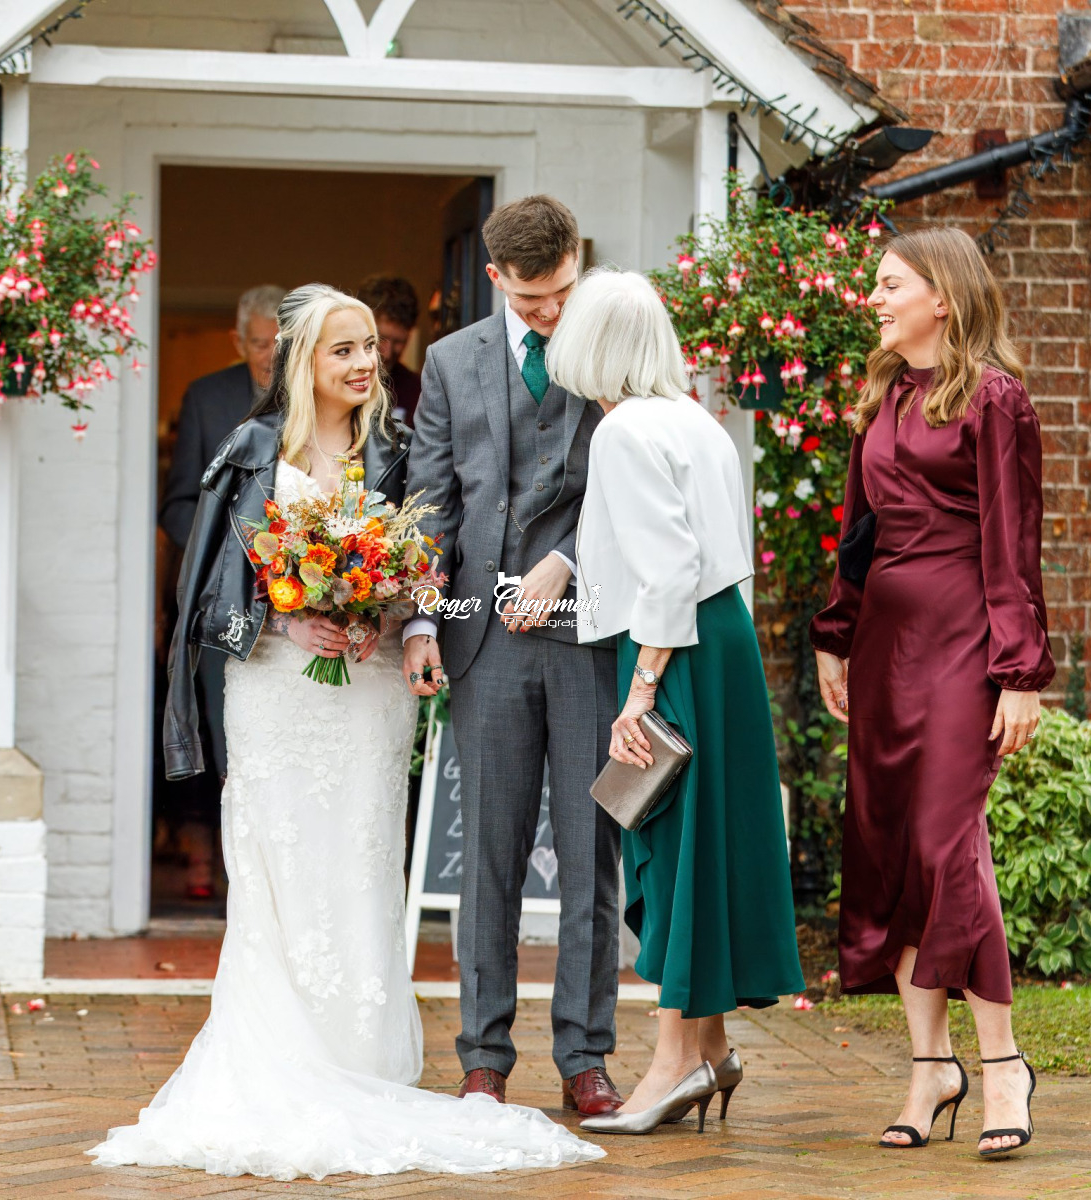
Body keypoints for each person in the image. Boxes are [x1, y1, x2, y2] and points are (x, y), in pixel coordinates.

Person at [96, 285, 603, 1180]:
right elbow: (204, 594)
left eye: (371, 346)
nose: (368, 362)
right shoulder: (251, 451)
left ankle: (364, 1062)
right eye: (345, 349)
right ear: (302, 359)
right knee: (281, 872)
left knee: (362, 866)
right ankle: (277, 1060)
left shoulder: (398, 451)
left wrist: (397, 620)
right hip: (278, 693)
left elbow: (430, 557)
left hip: (368, 695)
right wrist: (285, 619)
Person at [809, 227, 1053, 1159]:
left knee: (949, 847)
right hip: (885, 644)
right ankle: (929, 1068)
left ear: (941, 297)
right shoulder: (884, 394)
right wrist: (836, 635)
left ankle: (1003, 1066)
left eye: (890, 284)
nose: (873, 298)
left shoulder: (995, 399)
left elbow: (1012, 542)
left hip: (962, 641)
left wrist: (1018, 670)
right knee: (891, 850)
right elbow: (858, 533)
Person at [545, 268, 805, 1135]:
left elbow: (666, 571)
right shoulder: (697, 419)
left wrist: (641, 691)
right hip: (721, 638)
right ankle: (712, 1047)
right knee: (706, 844)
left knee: (675, 844)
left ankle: (671, 1066)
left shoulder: (623, 431)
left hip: (675, 645)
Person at [401, 196, 625, 1117]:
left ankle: (585, 1055)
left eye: (563, 291)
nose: (552, 312)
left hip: (585, 634)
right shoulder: (451, 361)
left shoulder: (608, 350)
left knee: (590, 852)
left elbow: (625, 480)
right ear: (496, 278)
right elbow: (430, 498)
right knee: (488, 856)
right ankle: (484, 1055)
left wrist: (564, 559)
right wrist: (421, 622)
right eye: (533, 301)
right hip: (481, 638)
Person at [154, 283, 285, 898]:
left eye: (279, 342)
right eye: (258, 344)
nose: (270, 355)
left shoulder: (319, 393)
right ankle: (240, 881)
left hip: (306, 602)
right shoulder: (206, 399)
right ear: (238, 341)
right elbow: (177, 504)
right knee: (228, 735)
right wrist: (226, 546)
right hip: (223, 602)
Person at [356, 274, 423, 426]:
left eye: (399, 342)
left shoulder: (416, 391)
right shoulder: (333, 381)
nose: (387, 353)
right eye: (380, 338)